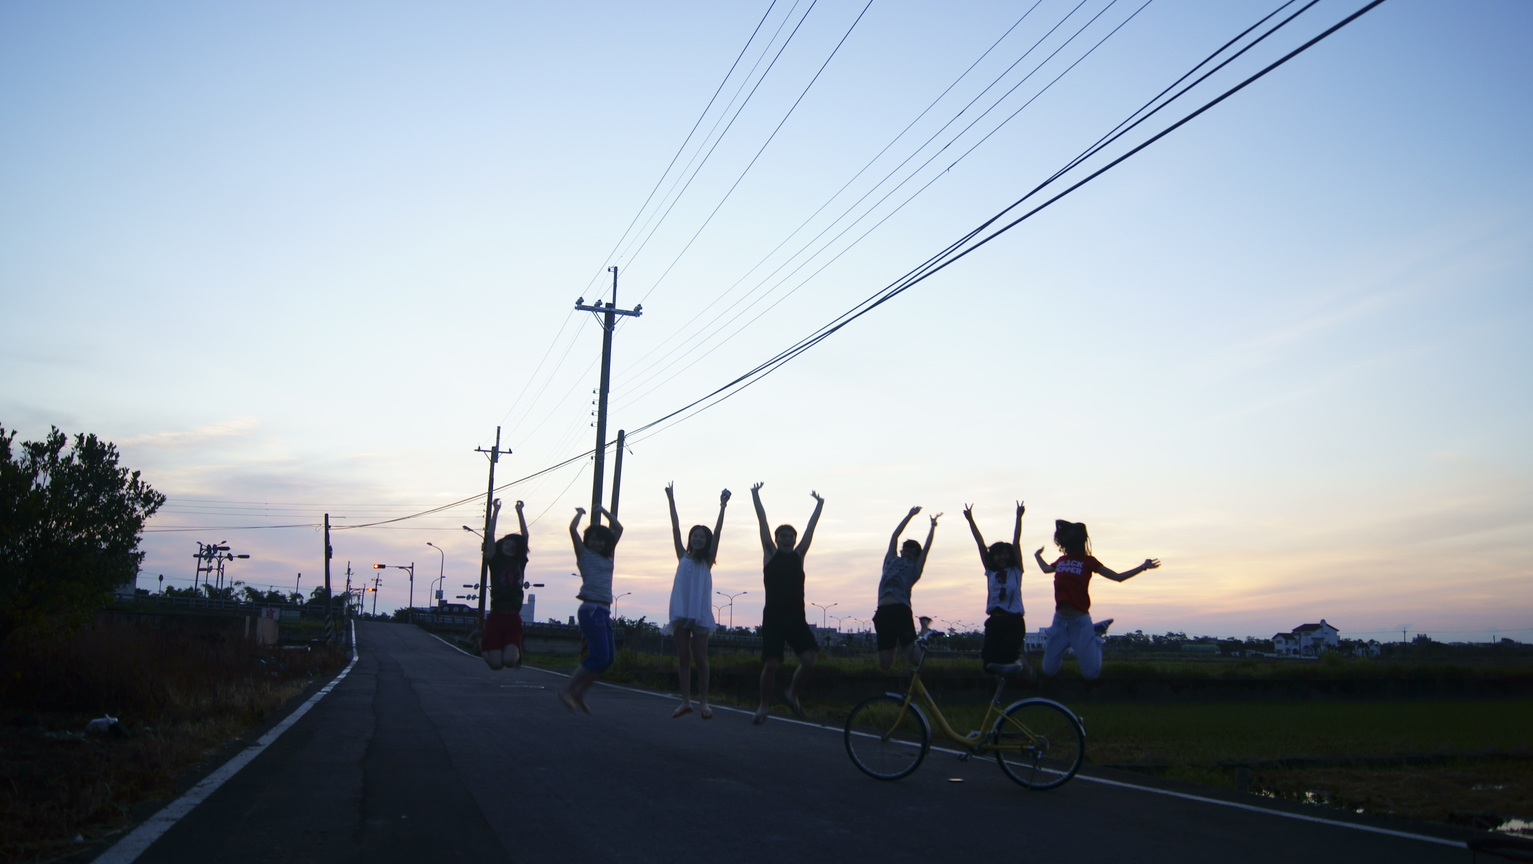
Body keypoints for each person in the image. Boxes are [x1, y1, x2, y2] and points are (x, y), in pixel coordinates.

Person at [1034, 519, 1159, 681]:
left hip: (1080, 623)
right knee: (1048, 670)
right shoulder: (1060, 561)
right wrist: (1037, 555)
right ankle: (1095, 633)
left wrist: (1142, 567)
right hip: (1059, 623)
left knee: (1091, 674)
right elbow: (1045, 569)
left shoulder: (1089, 561)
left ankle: (1097, 636)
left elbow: (1118, 577)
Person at [750, 482, 824, 725]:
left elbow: (811, 530)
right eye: (783, 536)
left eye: (791, 536)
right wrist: (755, 496)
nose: (788, 539)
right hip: (773, 617)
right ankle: (763, 706)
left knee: (809, 661)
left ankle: (792, 693)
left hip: (796, 618)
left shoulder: (799, 555)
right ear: (776, 539)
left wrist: (819, 505)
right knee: (771, 664)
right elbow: (762, 523)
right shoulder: (770, 554)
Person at [664, 482, 730, 719]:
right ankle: (685, 701)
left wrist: (722, 507)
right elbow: (675, 527)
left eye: (702, 536)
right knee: (683, 658)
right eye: (695, 535)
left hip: (700, 613)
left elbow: (719, 532)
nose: (698, 538)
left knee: (701, 658)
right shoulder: (682, 555)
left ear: (707, 540)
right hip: (681, 611)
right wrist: (671, 499)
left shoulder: (708, 560)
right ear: (691, 538)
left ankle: (703, 702)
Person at [558, 505, 623, 713]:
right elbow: (573, 530)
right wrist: (579, 514)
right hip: (590, 609)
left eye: (600, 539)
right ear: (587, 541)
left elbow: (618, 528)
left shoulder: (608, 556)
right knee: (600, 656)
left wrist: (602, 510)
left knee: (608, 659)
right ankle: (568, 690)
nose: (597, 542)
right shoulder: (584, 555)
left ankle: (580, 692)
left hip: (603, 611)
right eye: (593, 538)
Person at [963, 501, 1035, 683]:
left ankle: (1025, 666)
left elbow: (1016, 542)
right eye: (998, 554)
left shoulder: (1016, 571)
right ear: (993, 557)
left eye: (1005, 554)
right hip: (995, 620)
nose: (1002, 557)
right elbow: (980, 545)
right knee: (989, 663)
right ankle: (999, 694)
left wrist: (1019, 517)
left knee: (1006, 658)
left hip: (1013, 620)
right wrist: (970, 520)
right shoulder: (991, 571)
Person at [873, 507, 939, 671]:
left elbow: (927, 548)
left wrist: (932, 526)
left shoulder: (914, 569)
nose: (908, 553)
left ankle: (924, 631)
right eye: (906, 550)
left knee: (916, 660)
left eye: (912, 552)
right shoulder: (890, 560)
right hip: (882, 611)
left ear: (916, 556)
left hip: (900, 610)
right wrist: (910, 515)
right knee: (885, 664)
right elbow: (894, 536)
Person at [481, 498, 529, 671]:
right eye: (506, 544)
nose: (509, 547)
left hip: (513, 617)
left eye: (512, 545)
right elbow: (490, 536)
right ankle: (481, 645)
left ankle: (516, 651)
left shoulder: (519, 562)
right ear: (501, 546)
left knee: (509, 662)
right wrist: (495, 510)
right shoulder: (495, 562)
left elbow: (525, 537)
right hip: (496, 616)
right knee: (496, 665)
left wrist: (520, 512)